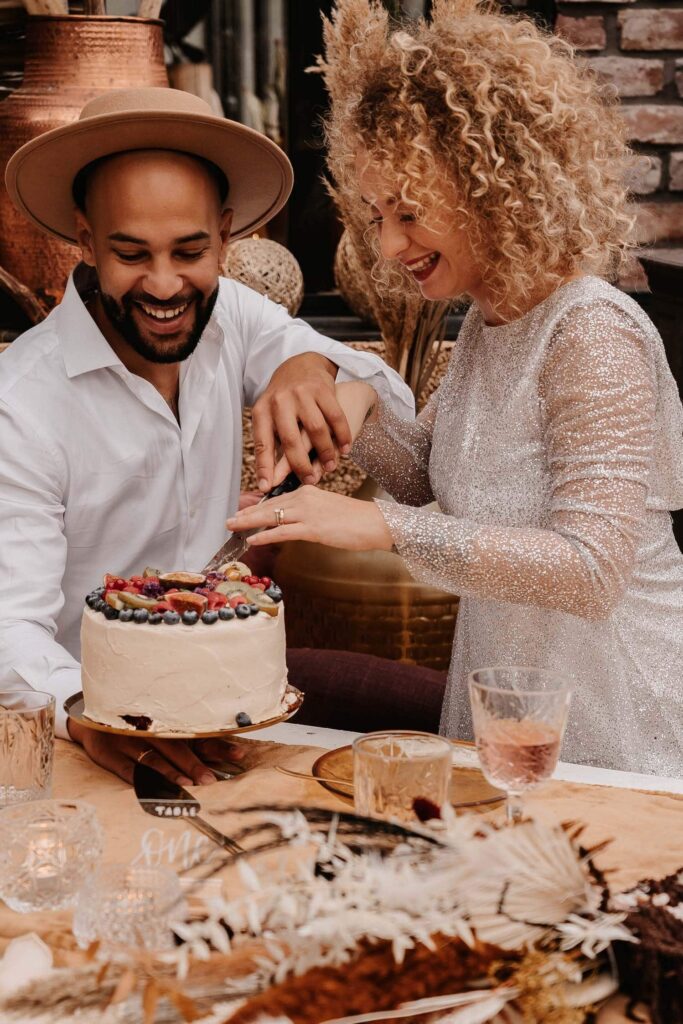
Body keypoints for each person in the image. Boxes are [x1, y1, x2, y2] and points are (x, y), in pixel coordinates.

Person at [228, 0, 683, 776]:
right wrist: (358, 402)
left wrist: (385, 529)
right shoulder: (487, 320)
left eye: (408, 212)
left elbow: (589, 568)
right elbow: (430, 474)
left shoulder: (588, 332)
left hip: (613, 716)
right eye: (375, 214)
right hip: (516, 707)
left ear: (493, 185)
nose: (388, 244)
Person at [0, 87, 412, 786]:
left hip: (229, 717)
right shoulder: (21, 401)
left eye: (190, 251)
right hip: (78, 741)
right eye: (130, 253)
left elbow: (396, 400)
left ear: (226, 235)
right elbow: (9, 628)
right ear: (86, 237)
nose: (164, 285)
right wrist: (86, 716)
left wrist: (311, 367)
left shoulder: (240, 319)